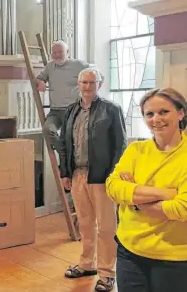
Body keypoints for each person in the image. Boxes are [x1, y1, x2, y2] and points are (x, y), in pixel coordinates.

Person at [106, 88, 187, 292]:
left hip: (173, 257)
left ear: (181, 113)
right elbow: (113, 187)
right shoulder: (136, 150)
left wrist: (132, 195)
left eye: (163, 112)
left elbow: (182, 208)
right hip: (130, 250)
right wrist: (166, 194)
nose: (156, 119)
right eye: (149, 114)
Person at [59, 68, 127, 292]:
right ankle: (87, 264)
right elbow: (64, 144)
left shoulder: (111, 109)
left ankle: (107, 274)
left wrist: (113, 176)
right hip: (77, 175)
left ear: (100, 83)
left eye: (92, 82)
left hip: (102, 176)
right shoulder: (70, 111)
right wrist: (65, 173)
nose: (87, 86)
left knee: (107, 227)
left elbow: (120, 146)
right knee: (85, 224)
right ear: (78, 84)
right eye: (83, 82)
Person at [35, 40, 90, 153]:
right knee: (47, 130)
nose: (57, 55)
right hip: (55, 111)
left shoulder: (78, 65)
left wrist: (90, 92)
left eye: (60, 52)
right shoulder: (50, 66)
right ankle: (64, 152)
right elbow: (39, 78)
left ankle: (67, 159)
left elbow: (97, 75)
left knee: (71, 137)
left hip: (73, 110)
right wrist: (41, 82)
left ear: (67, 52)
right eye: (54, 52)